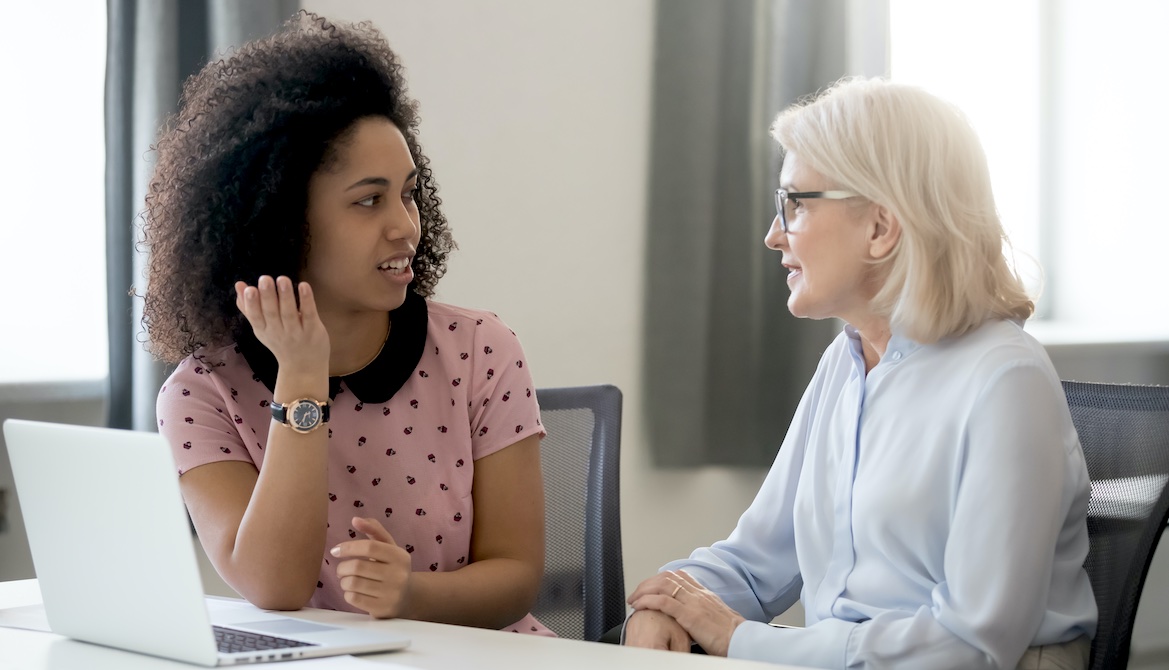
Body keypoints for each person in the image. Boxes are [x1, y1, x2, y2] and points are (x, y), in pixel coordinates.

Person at [623, 78, 1097, 669]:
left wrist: (738, 639)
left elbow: (971, 643)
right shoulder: (844, 364)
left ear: (879, 228)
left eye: (795, 204)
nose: (774, 235)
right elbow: (755, 561)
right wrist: (667, 599)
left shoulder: (1006, 381)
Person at [143, 11, 551, 636]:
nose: (405, 227)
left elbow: (517, 577)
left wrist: (411, 594)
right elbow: (274, 586)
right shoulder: (200, 396)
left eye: (409, 193)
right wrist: (302, 378)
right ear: (280, 220)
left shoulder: (481, 350)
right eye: (368, 200)